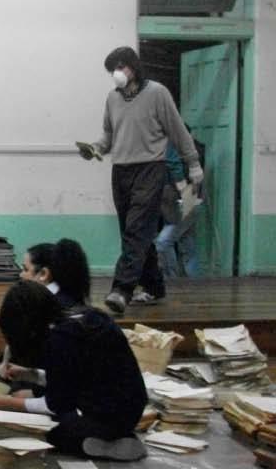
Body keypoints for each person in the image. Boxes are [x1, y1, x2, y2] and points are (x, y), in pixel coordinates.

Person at [79, 46, 201, 315]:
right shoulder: (112, 98)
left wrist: (192, 163)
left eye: (121, 66)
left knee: (136, 229)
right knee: (132, 232)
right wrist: (95, 148)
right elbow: (108, 136)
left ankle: (121, 290)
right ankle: (155, 286)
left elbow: (178, 130)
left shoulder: (157, 93)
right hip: (121, 171)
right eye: (112, 69)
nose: (117, 73)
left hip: (150, 168)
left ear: (134, 66)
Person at [0, 281, 147, 461]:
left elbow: (56, 404)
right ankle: (108, 437)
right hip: (121, 404)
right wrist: (29, 374)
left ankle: (106, 443)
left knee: (52, 431)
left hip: (112, 414)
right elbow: (71, 378)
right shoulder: (77, 319)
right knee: (35, 400)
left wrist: (5, 403)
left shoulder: (61, 340)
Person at [154, 141, 202, 281]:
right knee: (187, 243)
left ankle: (172, 281)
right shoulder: (195, 151)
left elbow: (173, 164)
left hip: (182, 199)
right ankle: (194, 283)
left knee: (163, 242)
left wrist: (182, 188)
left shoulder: (170, 146)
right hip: (190, 199)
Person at [19, 239, 92, 310]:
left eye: (26, 269)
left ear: (44, 274)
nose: (21, 275)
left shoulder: (43, 308)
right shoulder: (71, 300)